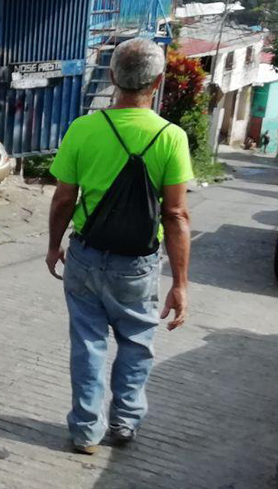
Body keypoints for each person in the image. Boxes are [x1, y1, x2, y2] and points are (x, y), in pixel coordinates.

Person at [45, 38, 192, 455]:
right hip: (138, 265)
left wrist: (54, 246)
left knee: (88, 343)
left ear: (112, 77)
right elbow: (176, 214)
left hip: (86, 255)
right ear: (158, 82)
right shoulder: (171, 137)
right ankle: (124, 423)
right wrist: (180, 282)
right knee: (136, 342)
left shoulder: (83, 129)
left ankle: (86, 431)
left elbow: (62, 199)